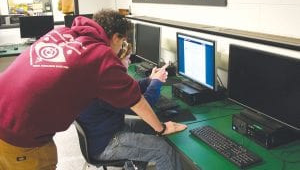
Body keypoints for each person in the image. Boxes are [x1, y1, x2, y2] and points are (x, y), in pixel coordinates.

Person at [0, 9, 186, 170]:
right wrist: (161, 129)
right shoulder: (100, 56)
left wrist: (149, 80)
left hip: (9, 113)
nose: (122, 48)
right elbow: (136, 101)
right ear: (115, 37)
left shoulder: (63, 33)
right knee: (162, 149)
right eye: (123, 43)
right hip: (17, 135)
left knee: (146, 130)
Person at [77, 42, 183, 170]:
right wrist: (156, 83)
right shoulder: (106, 85)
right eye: (127, 59)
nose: (130, 61)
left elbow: (130, 90)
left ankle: (132, 166)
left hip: (104, 132)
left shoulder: (101, 75)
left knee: (151, 125)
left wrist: (150, 80)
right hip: (106, 143)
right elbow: (144, 106)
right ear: (117, 61)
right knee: (163, 150)